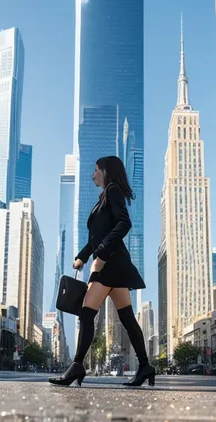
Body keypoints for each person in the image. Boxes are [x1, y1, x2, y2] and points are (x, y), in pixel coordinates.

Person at [49, 156, 155, 388]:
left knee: (87, 314)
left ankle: (77, 365)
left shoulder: (113, 190)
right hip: (114, 264)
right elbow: (97, 237)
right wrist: (82, 256)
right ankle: (145, 366)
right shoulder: (104, 196)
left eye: (96, 170)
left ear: (106, 171)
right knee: (127, 317)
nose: (93, 174)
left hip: (109, 264)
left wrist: (101, 256)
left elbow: (124, 223)